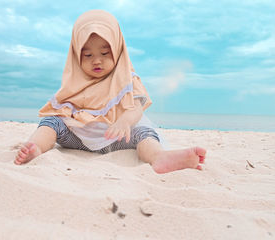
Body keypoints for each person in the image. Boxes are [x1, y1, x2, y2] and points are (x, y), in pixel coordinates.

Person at [14, 9, 206, 174]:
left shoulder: (127, 79)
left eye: (105, 53)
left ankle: (158, 157)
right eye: (87, 55)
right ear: (75, 55)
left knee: (144, 133)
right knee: (51, 121)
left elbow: (137, 108)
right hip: (76, 138)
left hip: (115, 138)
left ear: (118, 49)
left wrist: (124, 121)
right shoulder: (74, 82)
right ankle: (35, 147)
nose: (96, 60)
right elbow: (63, 110)